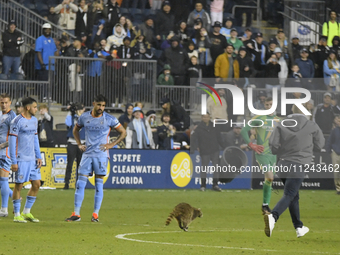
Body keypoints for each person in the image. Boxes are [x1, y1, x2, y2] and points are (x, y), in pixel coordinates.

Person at [65, 94, 126, 222]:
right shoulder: (84, 117)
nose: (101, 108)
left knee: (99, 185)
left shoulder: (109, 119)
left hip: (101, 155)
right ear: (93, 104)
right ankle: (76, 214)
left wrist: (112, 144)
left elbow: (123, 132)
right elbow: (75, 130)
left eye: (103, 105)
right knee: (80, 183)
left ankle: (95, 214)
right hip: (87, 154)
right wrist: (79, 144)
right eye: (99, 105)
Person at [266, 108, 325, 237]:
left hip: (283, 164)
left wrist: (280, 151)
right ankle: (273, 216)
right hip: (299, 163)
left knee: (293, 196)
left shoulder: (281, 124)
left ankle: (299, 227)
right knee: (290, 194)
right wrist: (307, 150)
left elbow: (273, 144)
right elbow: (320, 144)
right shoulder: (311, 125)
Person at [241, 97, 281, 214]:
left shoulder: (278, 121)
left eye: (271, 105)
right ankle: (265, 206)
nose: (269, 107)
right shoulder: (258, 118)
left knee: (269, 180)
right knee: (270, 177)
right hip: (261, 152)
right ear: (264, 106)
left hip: (273, 154)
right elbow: (244, 130)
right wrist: (251, 145)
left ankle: (265, 205)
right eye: (267, 105)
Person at [9, 97, 43, 223]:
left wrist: (38, 156)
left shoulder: (34, 120)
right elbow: (12, 142)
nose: (36, 109)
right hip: (21, 158)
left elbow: (35, 139)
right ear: (28, 107)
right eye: (35, 107)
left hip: (32, 159)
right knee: (19, 185)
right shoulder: (16, 121)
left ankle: (26, 212)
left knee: (36, 184)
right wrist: (13, 161)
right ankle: (17, 214)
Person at [191, 113, 224, 191]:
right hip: (204, 150)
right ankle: (203, 185)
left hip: (214, 150)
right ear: (202, 118)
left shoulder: (214, 127)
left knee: (216, 168)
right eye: (204, 117)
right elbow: (194, 138)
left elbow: (219, 137)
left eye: (207, 117)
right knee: (204, 168)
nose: (206, 118)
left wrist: (224, 146)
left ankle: (215, 185)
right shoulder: (199, 128)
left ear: (210, 117)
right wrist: (194, 148)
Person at [0, 94, 17, 217]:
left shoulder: (12, 117)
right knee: (2, 181)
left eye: (6, 102)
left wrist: (2, 146)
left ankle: (4, 209)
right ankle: (15, 197)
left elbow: (14, 137)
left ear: (10, 102)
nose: (4, 105)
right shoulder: (1, 115)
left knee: (3, 179)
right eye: (2, 103)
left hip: (5, 152)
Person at [63, 102, 85, 190]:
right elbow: (68, 123)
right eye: (78, 110)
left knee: (80, 165)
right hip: (72, 142)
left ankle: (79, 184)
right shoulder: (71, 118)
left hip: (82, 143)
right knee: (70, 164)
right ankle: (66, 183)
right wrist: (70, 112)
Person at [325, 115, 340, 195]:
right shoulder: (335, 131)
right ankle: (338, 189)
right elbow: (330, 141)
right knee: (336, 172)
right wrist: (329, 151)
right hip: (336, 153)